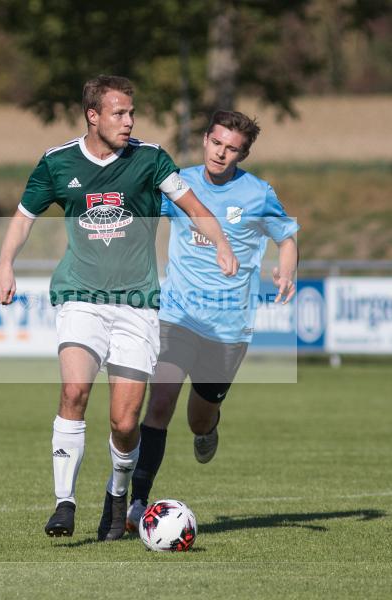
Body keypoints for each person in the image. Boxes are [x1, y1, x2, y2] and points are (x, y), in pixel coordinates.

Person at [0, 75, 239, 541]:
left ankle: (119, 491)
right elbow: (23, 219)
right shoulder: (56, 163)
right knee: (74, 392)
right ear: (93, 116)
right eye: (119, 113)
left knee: (125, 423)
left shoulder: (150, 159)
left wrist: (221, 242)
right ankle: (64, 502)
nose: (129, 121)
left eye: (131, 112)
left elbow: (192, 203)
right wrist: (5, 264)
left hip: (137, 305)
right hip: (80, 296)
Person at [126, 110, 300, 531]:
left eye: (233, 149)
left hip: (227, 326)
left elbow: (286, 236)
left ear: (243, 154)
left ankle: (209, 427)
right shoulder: (178, 183)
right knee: (160, 401)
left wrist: (286, 268)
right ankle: (138, 501)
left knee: (198, 419)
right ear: (205, 140)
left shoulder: (258, 194)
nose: (222, 154)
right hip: (177, 314)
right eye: (217, 143)